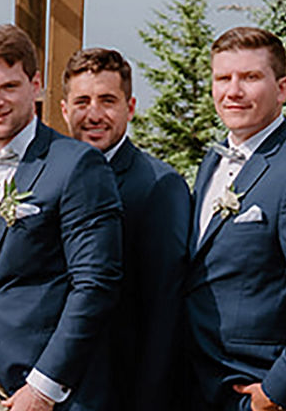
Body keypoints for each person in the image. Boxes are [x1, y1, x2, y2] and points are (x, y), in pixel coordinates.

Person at [0, 25, 124, 411]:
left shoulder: (77, 165)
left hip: (61, 396)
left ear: (35, 86)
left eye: (8, 87)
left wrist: (44, 387)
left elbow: (95, 284)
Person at [184, 26, 286, 411]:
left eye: (250, 77)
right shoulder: (213, 159)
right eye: (223, 78)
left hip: (260, 392)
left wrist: (278, 389)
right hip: (201, 385)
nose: (233, 91)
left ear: (283, 88)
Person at [56, 47, 199, 411]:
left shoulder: (159, 186)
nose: (93, 114)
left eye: (107, 100)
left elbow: (164, 315)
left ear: (130, 107)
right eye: (82, 101)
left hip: (121, 389)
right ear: (64, 109)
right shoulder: (51, 176)